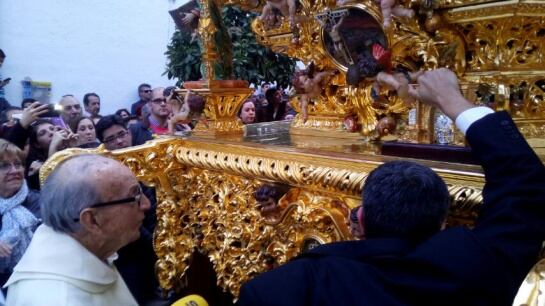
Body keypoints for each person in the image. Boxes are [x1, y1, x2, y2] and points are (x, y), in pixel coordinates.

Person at [236, 68, 545, 306]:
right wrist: (450, 99)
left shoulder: (283, 290)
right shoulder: (477, 268)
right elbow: (526, 187)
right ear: (442, 223)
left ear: (358, 220)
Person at [4, 154, 150, 305]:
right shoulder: (58, 299)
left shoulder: (88, 247)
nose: (146, 205)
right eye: (135, 197)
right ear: (92, 220)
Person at [0, 139, 41, 287]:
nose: (14, 170)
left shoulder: (40, 201)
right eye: (4, 166)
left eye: (18, 164)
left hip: (37, 282)